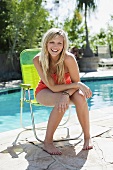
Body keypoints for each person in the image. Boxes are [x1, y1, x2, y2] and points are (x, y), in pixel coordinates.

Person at [33, 28, 93, 155]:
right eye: (52, 42)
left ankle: (87, 137)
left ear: (64, 45)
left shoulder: (69, 58)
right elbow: (53, 87)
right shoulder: (38, 59)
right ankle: (48, 142)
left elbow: (76, 85)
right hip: (45, 90)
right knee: (62, 101)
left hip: (67, 89)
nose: (55, 46)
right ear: (46, 43)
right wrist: (74, 86)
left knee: (81, 97)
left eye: (59, 43)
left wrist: (66, 94)